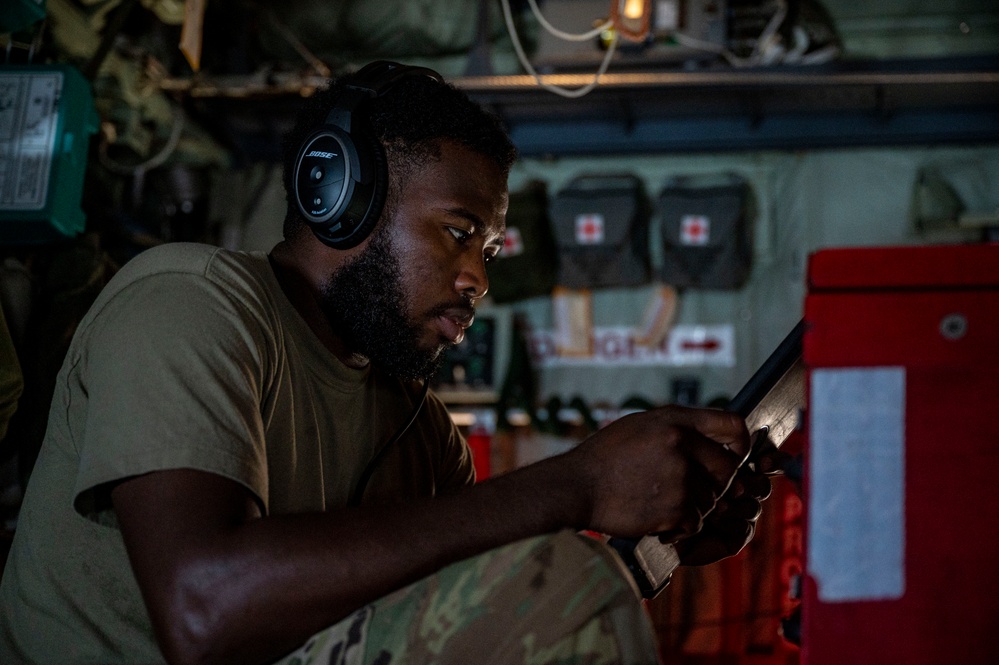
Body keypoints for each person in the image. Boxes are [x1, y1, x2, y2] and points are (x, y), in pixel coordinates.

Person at [0, 62, 769, 665]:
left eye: (491, 248)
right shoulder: (190, 301)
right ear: (340, 195)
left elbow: (486, 622)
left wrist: (660, 539)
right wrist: (578, 482)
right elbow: (205, 612)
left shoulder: (419, 430)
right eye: (459, 231)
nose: (479, 278)